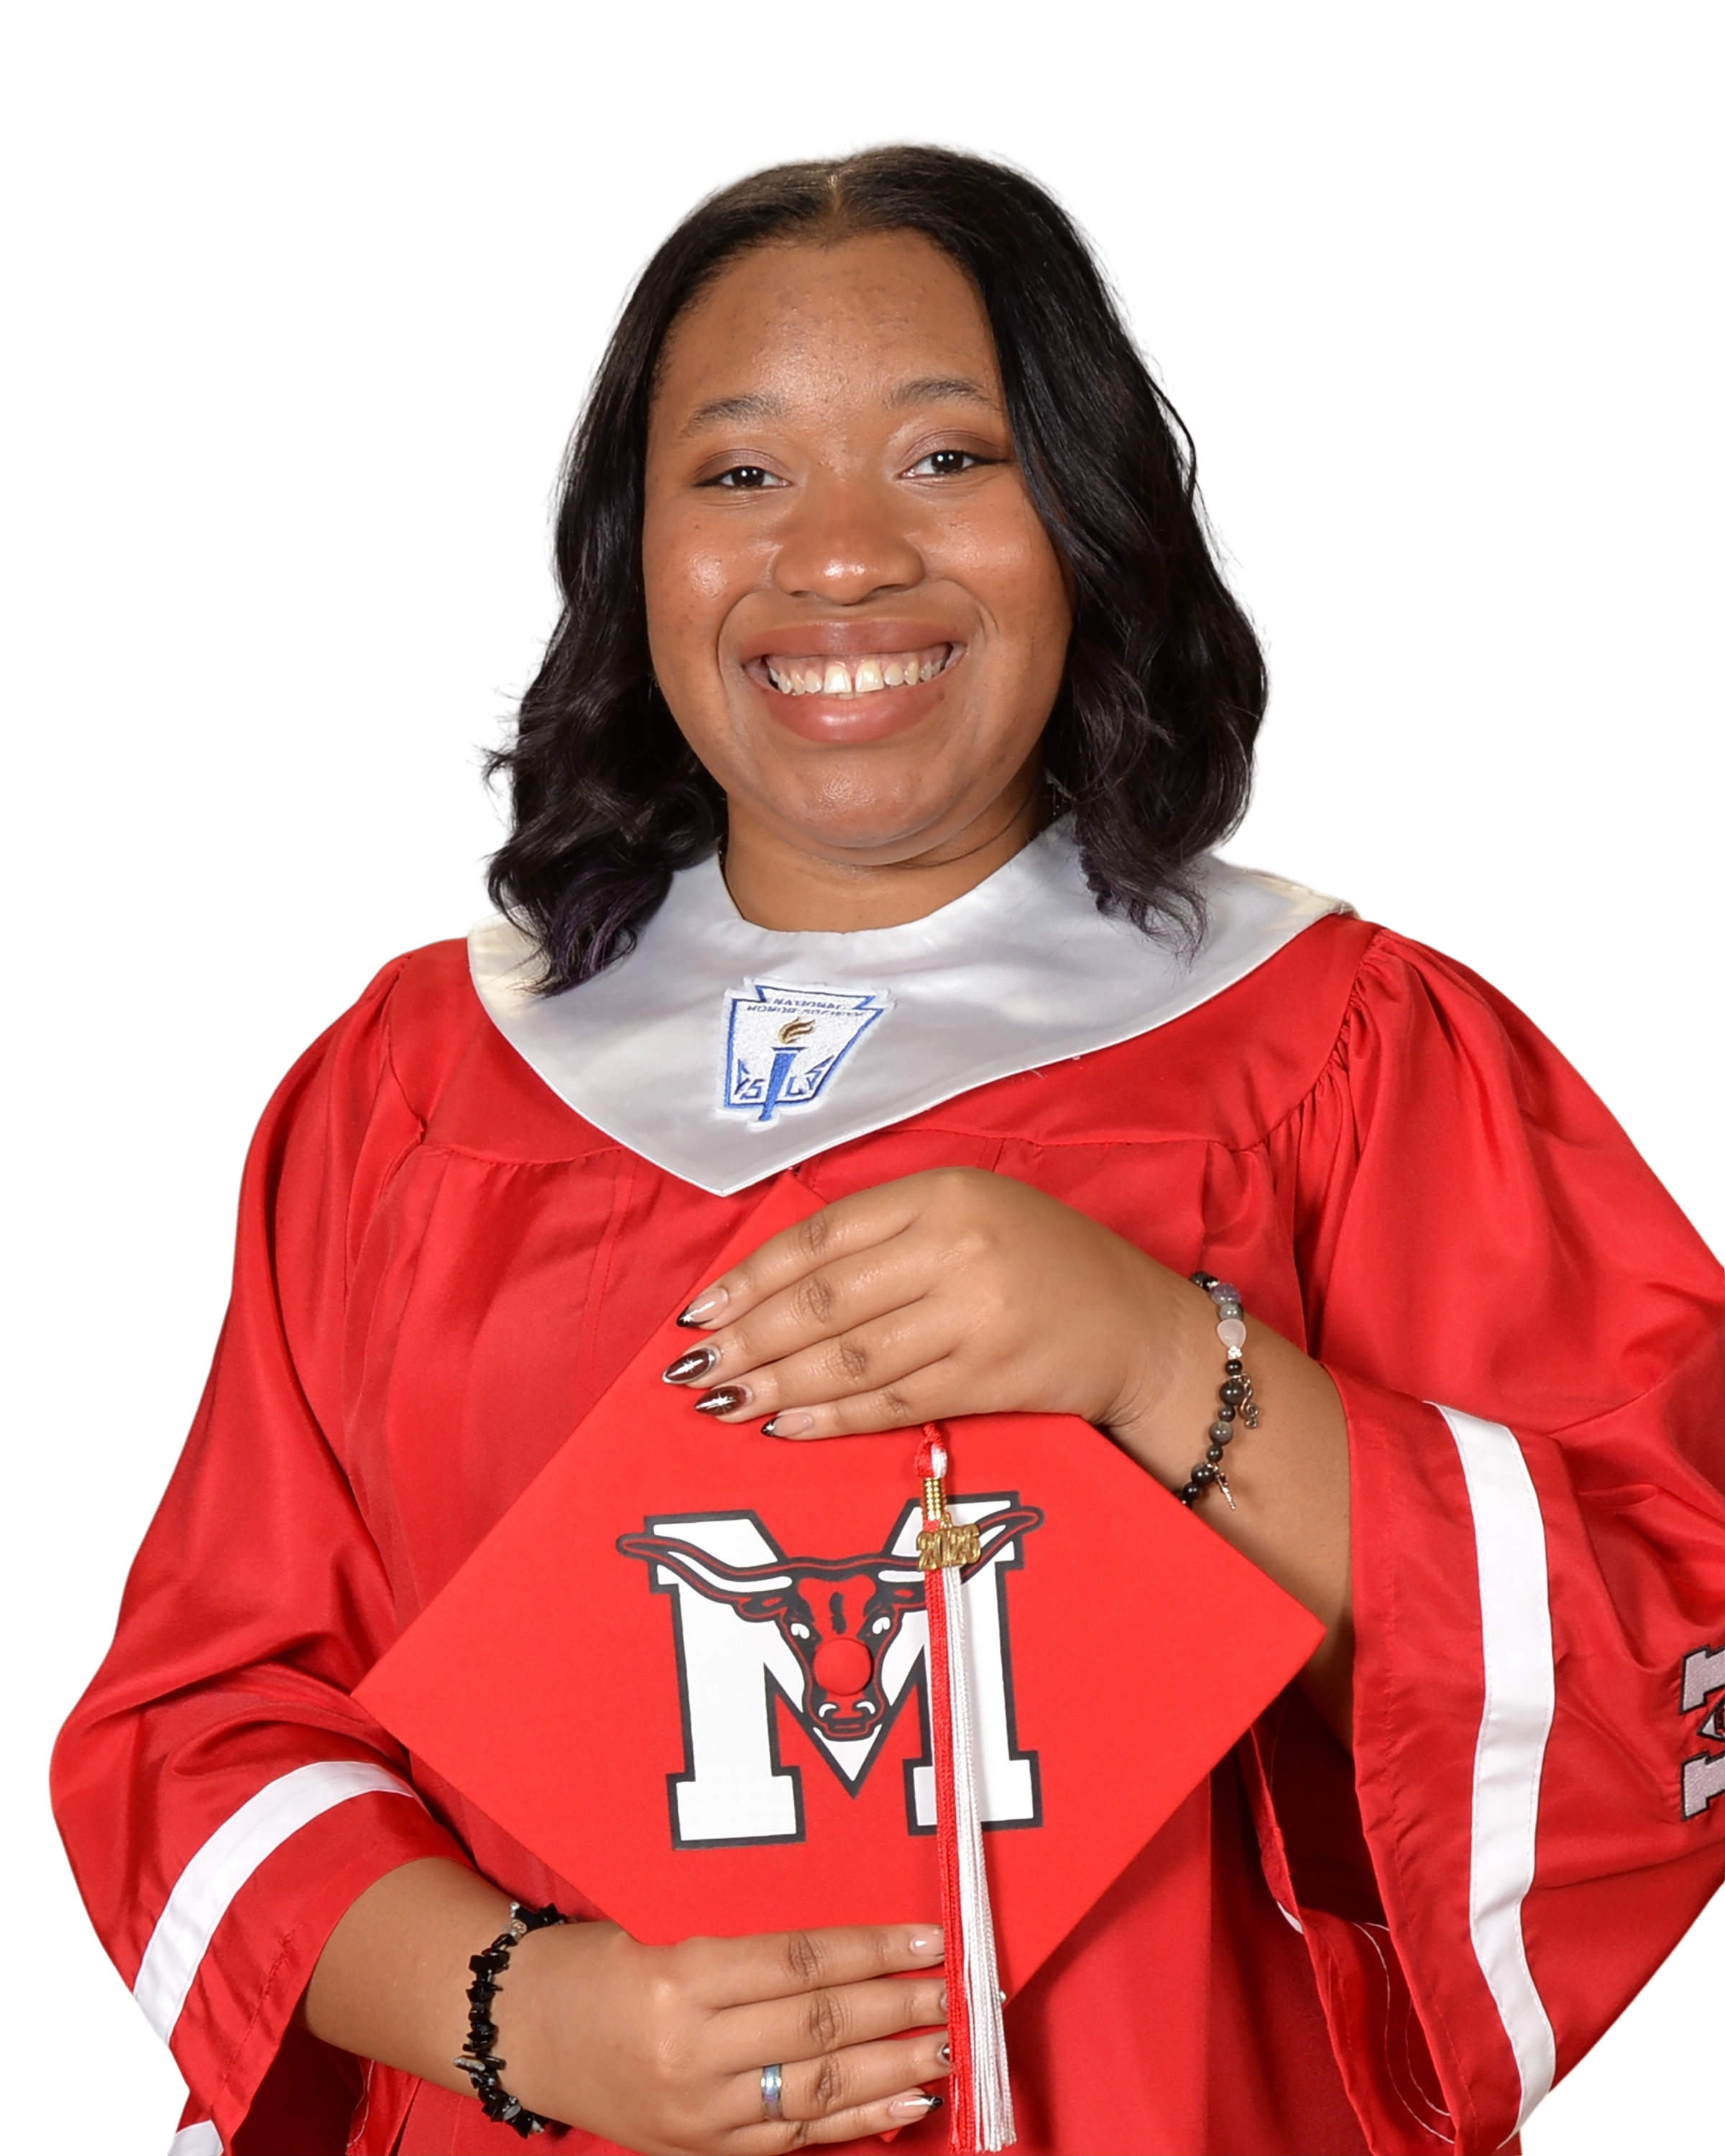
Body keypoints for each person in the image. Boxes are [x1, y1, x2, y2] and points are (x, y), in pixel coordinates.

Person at [49, 134, 1723, 2156]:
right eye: (740, 473)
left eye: (948, 457)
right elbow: (202, 1727)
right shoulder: (419, 1093)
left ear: (1090, 512)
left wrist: (1164, 1363)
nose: (840, 557)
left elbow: (1659, 1639)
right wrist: (519, 2013)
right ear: (629, 555)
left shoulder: (1338, 1052)